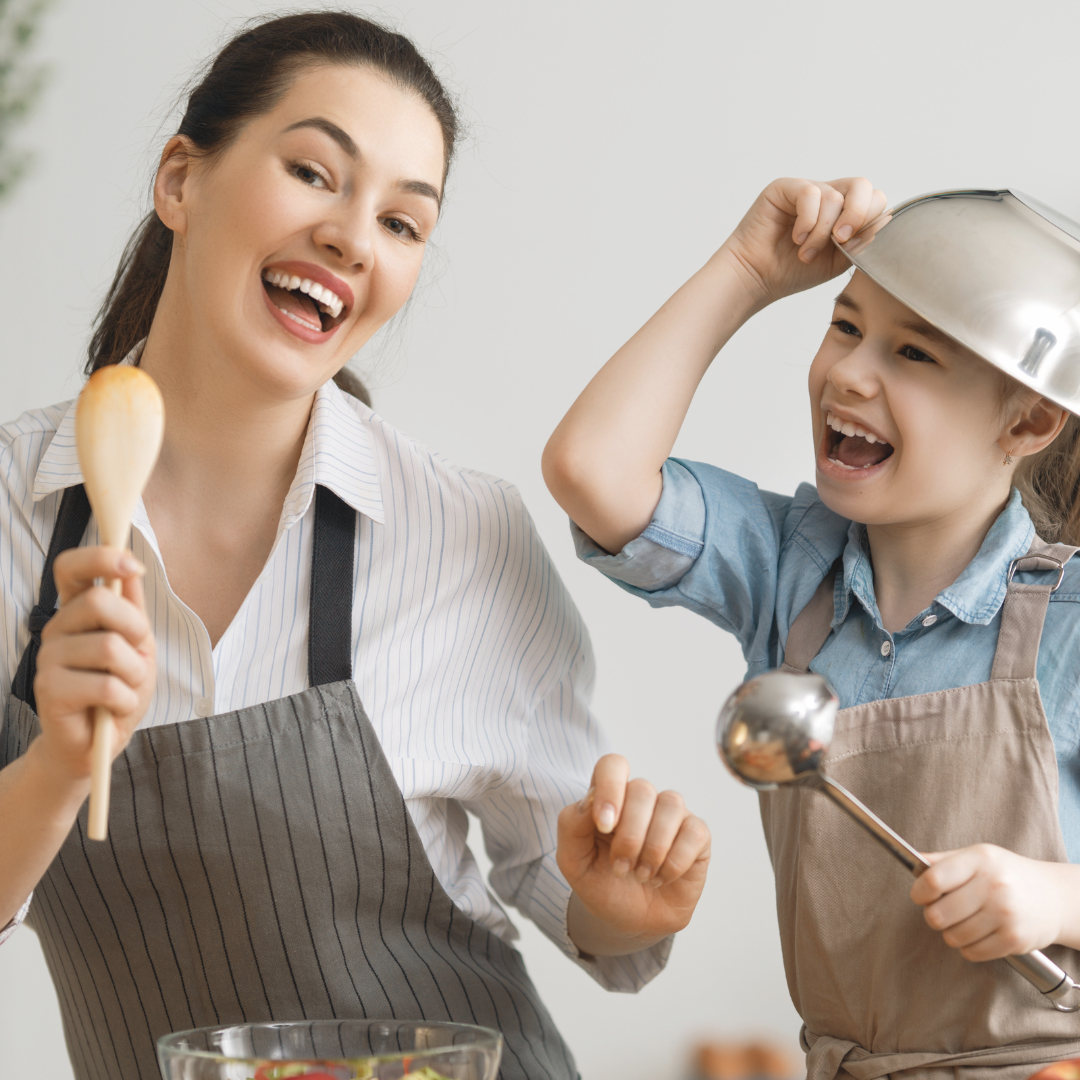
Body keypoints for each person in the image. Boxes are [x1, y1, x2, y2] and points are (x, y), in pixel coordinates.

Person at [0, 14, 712, 1080]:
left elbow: (583, 917)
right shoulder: (14, 506)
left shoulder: (462, 535)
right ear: (180, 180)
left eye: (402, 222)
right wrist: (58, 760)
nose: (352, 236)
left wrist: (619, 905)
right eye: (311, 171)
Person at [543, 176, 1080, 1080]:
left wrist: (1060, 900)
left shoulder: (1070, 625)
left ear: (1026, 421)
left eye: (914, 354)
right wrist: (748, 270)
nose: (850, 372)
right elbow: (593, 471)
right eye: (845, 326)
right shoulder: (791, 570)